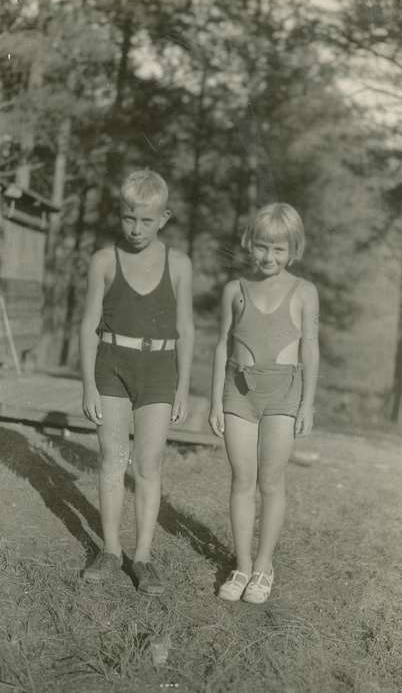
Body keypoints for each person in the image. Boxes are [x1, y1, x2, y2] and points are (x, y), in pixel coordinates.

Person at [80, 169, 194, 595]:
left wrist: (182, 387)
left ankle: (143, 557)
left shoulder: (179, 264)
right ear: (120, 215)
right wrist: (88, 385)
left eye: (147, 220)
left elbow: (187, 327)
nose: (137, 229)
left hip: (159, 370)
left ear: (164, 217)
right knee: (112, 458)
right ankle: (110, 550)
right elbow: (89, 323)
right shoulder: (104, 260)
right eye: (130, 219)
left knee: (148, 465)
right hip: (111, 365)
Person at [209, 202, 319, 604]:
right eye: (261, 247)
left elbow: (311, 349)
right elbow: (222, 344)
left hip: (283, 394)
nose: (268, 257)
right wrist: (216, 401)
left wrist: (307, 403)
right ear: (248, 244)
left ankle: (263, 566)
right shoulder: (234, 290)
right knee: (242, 479)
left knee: (271, 482)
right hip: (238, 392)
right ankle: (241, 564)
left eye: (278, 249)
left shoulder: (305, 292)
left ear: (293, 250)